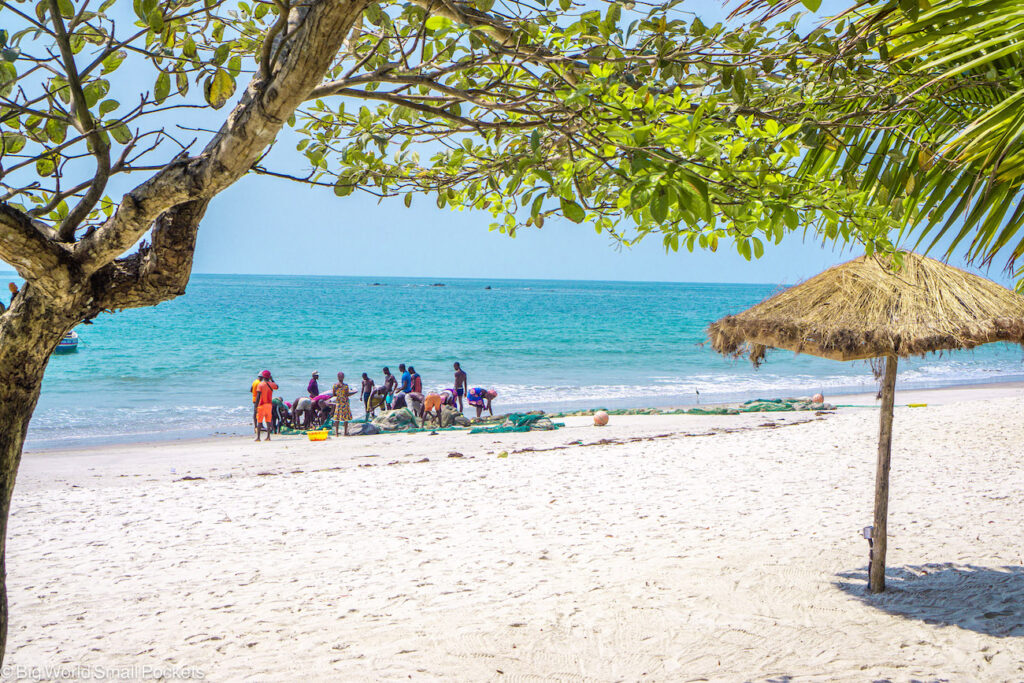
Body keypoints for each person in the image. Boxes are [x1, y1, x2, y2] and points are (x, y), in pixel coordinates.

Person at [254, 370, 278, 441]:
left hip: (261, 405)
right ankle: (268, 437)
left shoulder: (260, 385)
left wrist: (256, 406)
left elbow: (258, 396)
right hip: (269, 405)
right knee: (268, 421)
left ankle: (258, 437)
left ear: (263, 376)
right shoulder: (272, 384)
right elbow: (277, 387)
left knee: (259, 421)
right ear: (269, 376)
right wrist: (272, 379)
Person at [333, 372, 353, 436]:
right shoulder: (337, 385)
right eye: (340, 376)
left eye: (342, 376)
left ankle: (344, 432)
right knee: (337, 418)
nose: (341, 378)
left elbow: (334, 394)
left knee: (344, 418)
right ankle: (337, 433)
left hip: (343, 403)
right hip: (340, 402)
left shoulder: (343, 385)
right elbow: (347, 394)